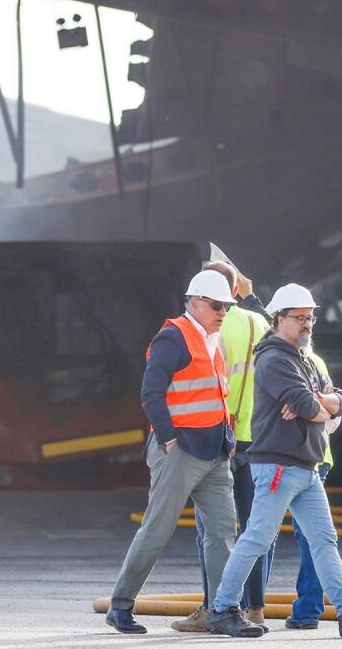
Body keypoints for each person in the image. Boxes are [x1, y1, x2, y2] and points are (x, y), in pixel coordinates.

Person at [205, 283, 342, 639]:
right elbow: (311, 405)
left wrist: (318, 403)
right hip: (279, 465)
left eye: (310, 318)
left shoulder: (304, 358)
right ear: (279, 319)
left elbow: (340, 400)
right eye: (299, 317)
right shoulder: (274, 359)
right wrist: (318, 404)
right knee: (257, 538)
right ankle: (222, 609)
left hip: (306, 466)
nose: (307, 323)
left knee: (324, 540)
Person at [105, 270, 239, 635]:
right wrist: (168, 440)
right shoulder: (173, 337)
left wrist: (227, 437)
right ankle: (120, 606)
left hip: (214, 450)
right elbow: (151, 394)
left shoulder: (212, 340)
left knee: (223, 532)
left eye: (226, 307)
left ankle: (222, 610)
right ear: (194, 303)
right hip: (180, 450)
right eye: (217, 306)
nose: (223, 313)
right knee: (157, 529)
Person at [173, 261, 275, 633]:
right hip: (258, 438)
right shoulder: (258, 322)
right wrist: (252, 296)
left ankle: (212, 608)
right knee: (254, 529)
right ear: (235, 290)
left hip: (219, 439)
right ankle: (256, 607)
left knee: (213, 532)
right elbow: (286, 335)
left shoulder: (206, 328)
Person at [284, 348, 342, 630]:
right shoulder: (314, 361)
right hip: (312, 458)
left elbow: (335, 413)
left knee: (258, 534)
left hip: (284, 459)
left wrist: (305, 411)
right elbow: (332, 417)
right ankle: (308, 610)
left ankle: (244, 607)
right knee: (314, 538)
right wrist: (316, 413)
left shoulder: (273, 361)